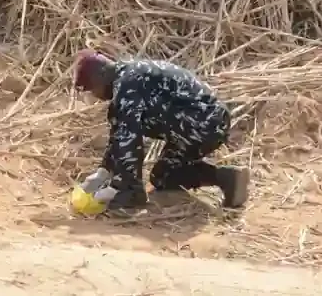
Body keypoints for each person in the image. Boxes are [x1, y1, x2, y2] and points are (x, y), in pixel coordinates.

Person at [72, 50, 249, 210]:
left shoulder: (128, 82)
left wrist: (122, 187)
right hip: (204, 124)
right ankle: (227, 178)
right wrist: (103, 172)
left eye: (92, 88)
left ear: (102, 75)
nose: (95, 96)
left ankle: (130, 189)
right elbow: (120, 130)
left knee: (126, 128)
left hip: (204, 122)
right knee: (163, 176)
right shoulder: (127, 76)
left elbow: (127, 137)